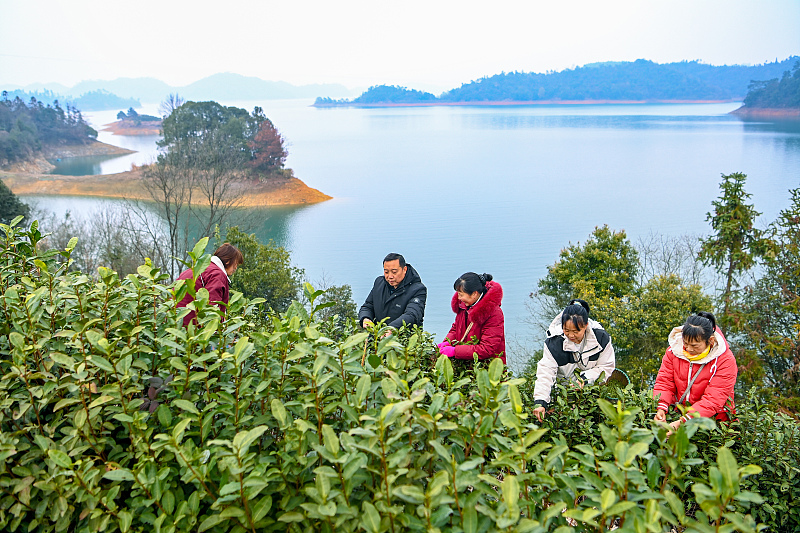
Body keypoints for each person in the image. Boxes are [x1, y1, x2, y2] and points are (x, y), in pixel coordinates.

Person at [652, 312, 737, 433]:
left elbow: (713, 400)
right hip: (679, 414)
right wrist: (661, 408)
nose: (689, 349)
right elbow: (665, 382)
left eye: (695, 346)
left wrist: (683, 421)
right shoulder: (674, 351)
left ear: (710, 341)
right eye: (685, 343)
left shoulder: (725, 360)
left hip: (714, 423)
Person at [533, 299, 615, 422]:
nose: (571, 335)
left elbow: (606, 367)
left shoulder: (601, 339)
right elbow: (545, 373)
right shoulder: (554, 343)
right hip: (564, 395)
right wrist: (541, 402)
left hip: (594, 395)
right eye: (566, 330)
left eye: (576, 331)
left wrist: (585, 380)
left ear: (586, 326)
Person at [438, 273, 506, 364]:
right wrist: (448, 342)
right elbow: (456, 328)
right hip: (466, 365)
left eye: (461, 294)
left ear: (474, 294)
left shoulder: (494, 313)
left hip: (487, 370)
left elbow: (486, 349)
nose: (459, 298)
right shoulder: (463, 306)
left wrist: (455, 351)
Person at [176, 243, 243, 326]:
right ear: (228, 260)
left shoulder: (198, 269)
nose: (235, 268)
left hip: (176, 322)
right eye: (235, 264)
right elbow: (212, 307)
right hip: (191, 327)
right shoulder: (217, 274)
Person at [358, 253, 426, 331]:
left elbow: (412, 315)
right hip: (378, 338)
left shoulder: (418, 289)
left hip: (404, 340)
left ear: (404, 270)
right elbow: (368, 306)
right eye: (386, 272)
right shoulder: (379, 283)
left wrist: (391, 329)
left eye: (394, 272)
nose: (390, 276)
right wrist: (365, 318)